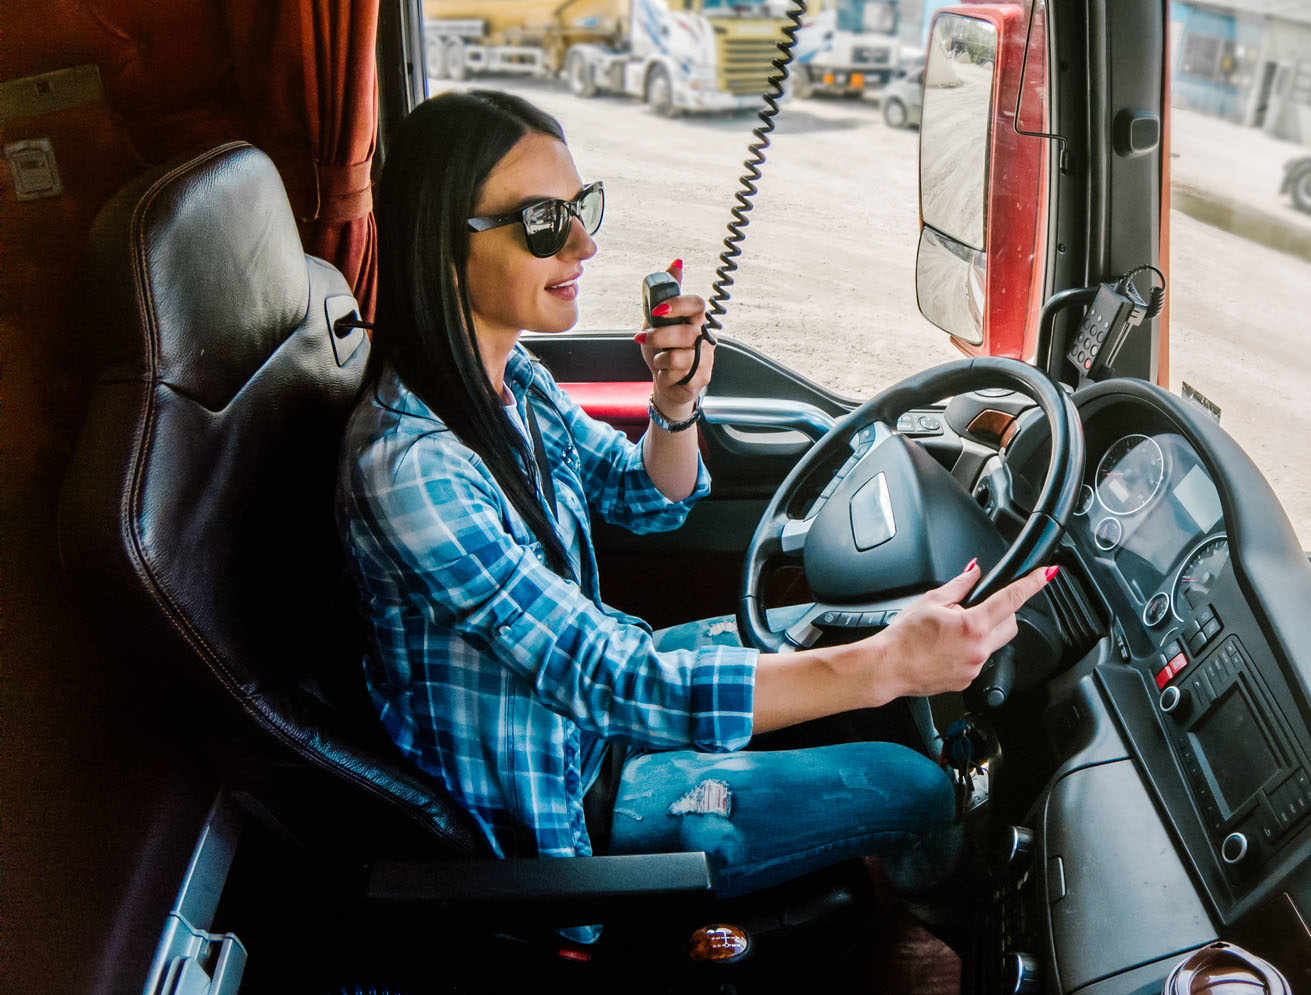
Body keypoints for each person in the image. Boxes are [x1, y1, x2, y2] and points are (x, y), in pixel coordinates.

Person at [336, 90, 1055, 939]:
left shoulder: (507, 379)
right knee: (920, 789)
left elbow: (645, 498)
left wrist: (675, 403)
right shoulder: (410, 470)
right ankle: (949, 953)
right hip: (566, 809)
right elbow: (615, 679)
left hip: (588, 728)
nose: (584, 243)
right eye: (541, 221)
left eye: (579, 208)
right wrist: (887, 668)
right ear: (437, 239)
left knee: (819, 623)